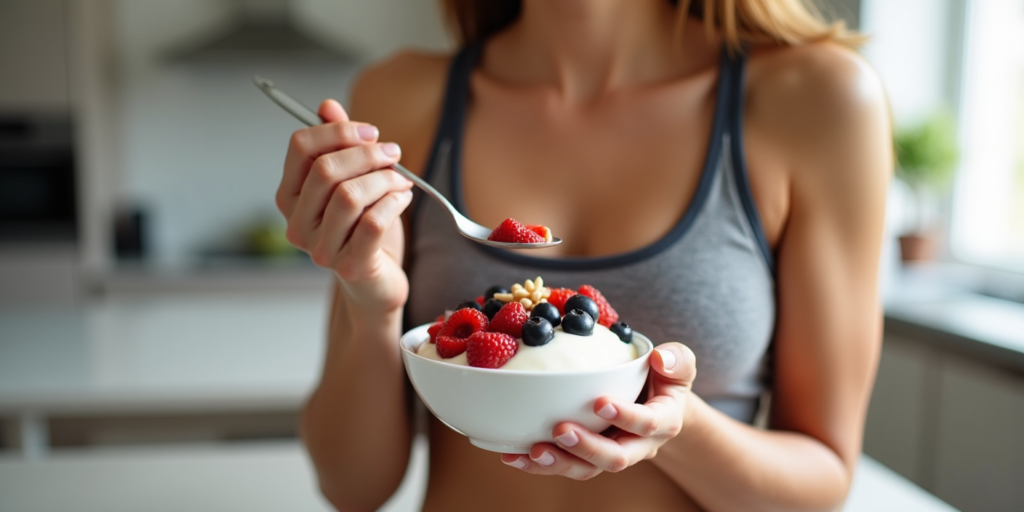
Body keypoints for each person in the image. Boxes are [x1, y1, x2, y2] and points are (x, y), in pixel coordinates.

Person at [276, 0, 891, 510]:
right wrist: (372, 301)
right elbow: (350, 487)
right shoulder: (402, 94)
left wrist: (668, 425)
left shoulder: (818, 98)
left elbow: (821, 483)